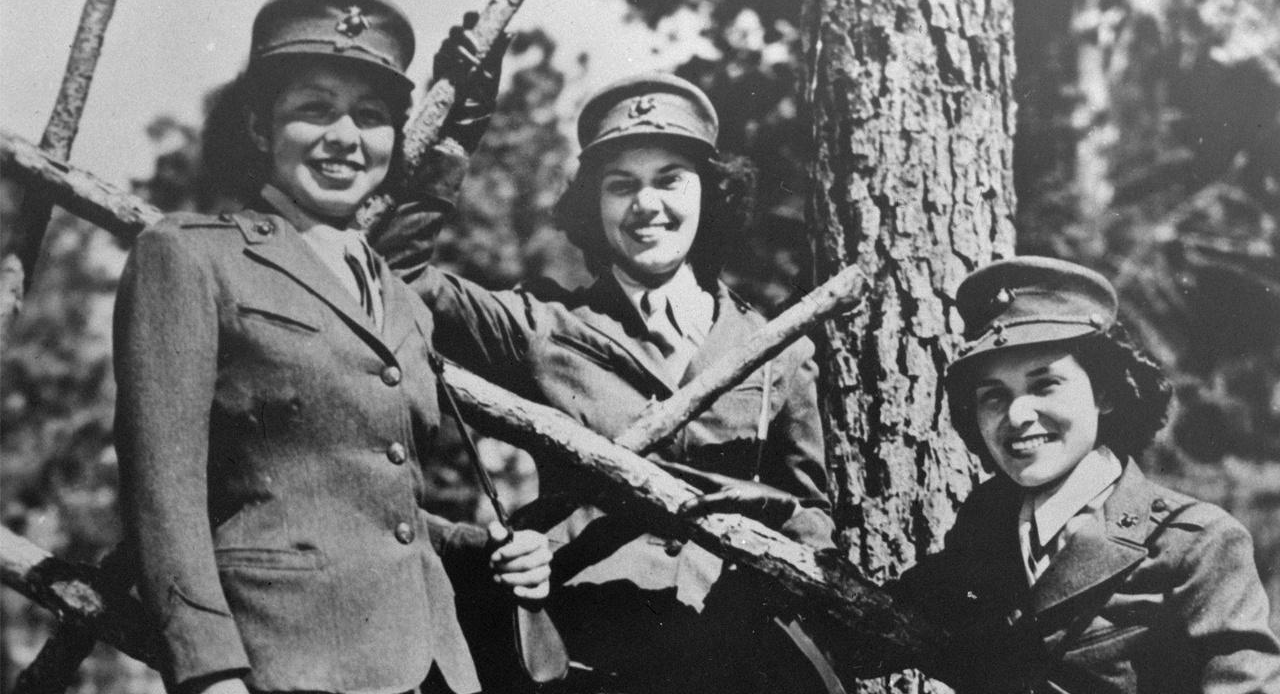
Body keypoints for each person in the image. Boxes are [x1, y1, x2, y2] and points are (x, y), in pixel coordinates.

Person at [113, 0, 551, 694]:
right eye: (314, 109)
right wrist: (208, 670)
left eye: (371, 116)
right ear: (261, 127)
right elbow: (160, 487)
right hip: (281, 664)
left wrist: (490, 551)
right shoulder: (191, 256)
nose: (345, 137)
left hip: (432, 668)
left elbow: (376, 509)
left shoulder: (403, 301)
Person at [377, 72, 838, 693]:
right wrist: (457, 131)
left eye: (669, 179)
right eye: (621, 185)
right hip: (590, 656)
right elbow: (396, 272)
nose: (647, 205)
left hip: (738, 657)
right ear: (592, 206)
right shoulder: (541, 327)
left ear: (712, 193)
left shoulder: (776, 348)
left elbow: (809, 512)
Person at [873, 256, 1280, 692]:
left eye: (1044, 385)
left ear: (1104, 393)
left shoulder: (1196, 543)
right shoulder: (987, 523)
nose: (1017, 415)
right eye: (994, 396)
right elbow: (878, 624)